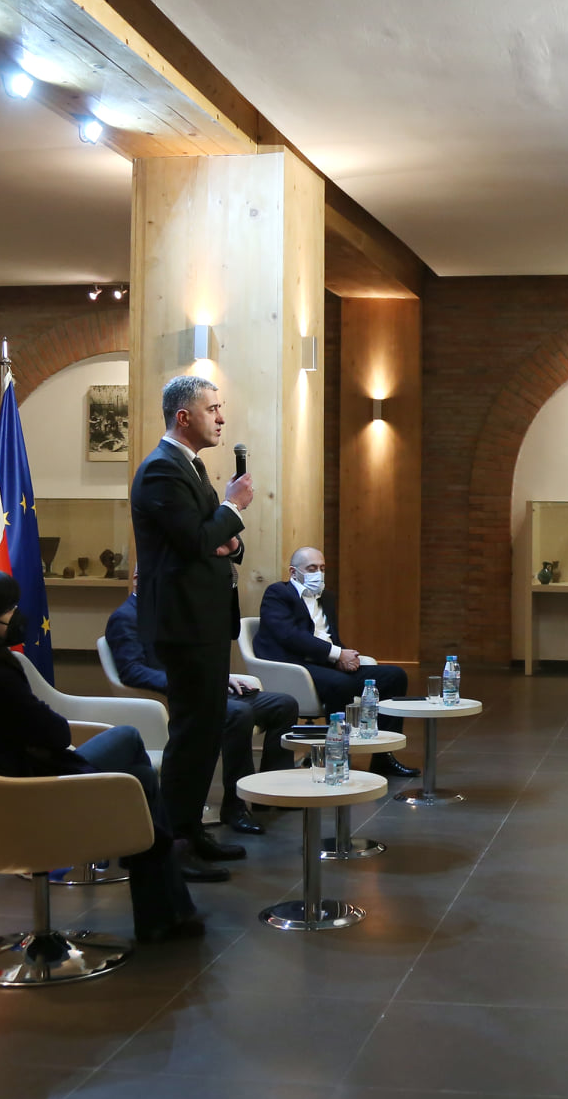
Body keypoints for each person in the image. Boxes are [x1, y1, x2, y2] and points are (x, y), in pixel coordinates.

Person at [0, 569, 204, 940]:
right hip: (29, 793)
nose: (17, 615)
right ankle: (152, 861)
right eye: (9, 608)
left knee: (134, 758)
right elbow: (55, 733)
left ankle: (152, 855)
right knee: (139, 770)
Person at [129, 375, 253, 880]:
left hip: (205, 620)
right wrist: (231, 508)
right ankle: (175, 847)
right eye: (213, 409)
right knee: (191, 732)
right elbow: (196, 541)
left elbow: (214, 541)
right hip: (183, 623)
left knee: (206, 731)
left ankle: (192, 830)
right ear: (184, 417)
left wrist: (227, 537)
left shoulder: (191, 466)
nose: (221, 418)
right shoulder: (162, 469)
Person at [106, 587, 300, 834]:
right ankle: (235, 807)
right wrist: (185, 681)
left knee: (283, 704)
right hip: (176, 697)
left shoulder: (171, 613)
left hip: (207, 689)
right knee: (238, 714)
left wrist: (222, 677)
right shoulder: (124, 617)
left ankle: (271, 793)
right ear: (138, 580)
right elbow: (132, 671)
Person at [253, 546, 417, 776]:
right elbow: (290, 636)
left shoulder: (327, 597)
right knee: (341, 684)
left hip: (325, 663)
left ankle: (383, 757)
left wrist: (345, 657)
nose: (318, 574)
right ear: (293, 572)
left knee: (394, 676)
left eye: (322, 568)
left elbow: (330, 637)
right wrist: (336, 654)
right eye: (311, 568)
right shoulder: (278, 594)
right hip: (296, 667)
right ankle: (338, 757)